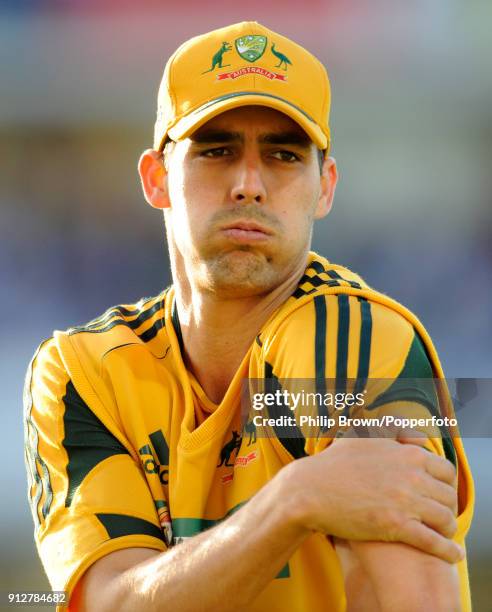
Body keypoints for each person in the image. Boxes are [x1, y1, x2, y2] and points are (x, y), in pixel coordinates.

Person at [24, 21, 474, 611]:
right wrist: (294, 499)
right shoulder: (82, 370)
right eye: (217, 150)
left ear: (325, 187)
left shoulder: (350, 337)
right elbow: (111, 603)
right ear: (156, 178)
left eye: (284, 154)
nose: (249, 185)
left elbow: (412, 598)